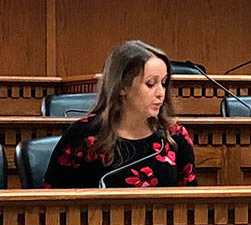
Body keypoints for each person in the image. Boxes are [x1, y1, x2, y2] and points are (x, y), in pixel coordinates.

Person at [43, 40, 198, 188]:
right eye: (150, 84)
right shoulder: (83, 135)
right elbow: (53, 201)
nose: (161, 93)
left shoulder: (174, 137)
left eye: (163, 83)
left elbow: (191, 203)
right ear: (122, 87)